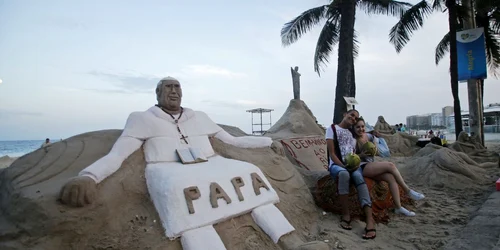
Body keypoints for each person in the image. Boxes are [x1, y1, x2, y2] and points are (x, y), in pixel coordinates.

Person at [58, 76, 327, 250]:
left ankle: (290, 241)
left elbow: (233, 141)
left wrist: (268, 143)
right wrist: (89, 176)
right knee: (182, 190)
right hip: (168, 170)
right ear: (158, 93)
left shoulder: (198, 116)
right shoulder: (141, 118)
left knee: (248, 170)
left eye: (177, 87)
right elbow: (119, 153)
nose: (173, 91)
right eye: (168, 87)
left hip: (210, 162)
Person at [352, 118, 425, 217]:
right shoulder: (353, 140)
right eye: (358, 127)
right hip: (362, 166)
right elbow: (351, 156)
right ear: (353, 128)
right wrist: (362, 155)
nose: (361, 129)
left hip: (370, 164)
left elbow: (377, 151)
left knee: (390, 178)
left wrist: (375, 144)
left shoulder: (368, 136)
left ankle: (398, 207)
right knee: (391, 165)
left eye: (362, 126)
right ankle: (408, 191)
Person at [325, 109, 376, 240]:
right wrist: (343, 166)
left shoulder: (352, 133)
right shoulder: (332, 129)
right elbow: (332, 154)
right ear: (344, 114)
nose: (353, 118)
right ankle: (346, 214)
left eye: (355, 118)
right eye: (352, 115)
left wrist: (373, 136)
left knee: (359, 177)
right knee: (344, 175)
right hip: (337, 165)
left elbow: (364, 135)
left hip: (353, 165)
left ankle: (370, 220)